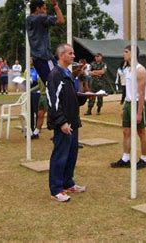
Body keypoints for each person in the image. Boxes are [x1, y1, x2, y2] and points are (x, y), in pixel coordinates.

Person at [47, 44, 87, 202]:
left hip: (73, 121)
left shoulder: (68, 74)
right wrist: (61, 122)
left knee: (71, 154)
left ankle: (68, 183)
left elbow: (71, 97)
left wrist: (85, 96)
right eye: (70, 53)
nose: (74, 56)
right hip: (63, 124)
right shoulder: (55, 75)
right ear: (62, 55)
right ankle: (56, 189)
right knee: (60, 155)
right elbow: (53, 101)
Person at [111, 45, 146, 169]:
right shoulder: (127, 69)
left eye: (126, 52)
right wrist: (124, 107)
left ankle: (144, 159)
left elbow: (141, 93)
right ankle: (125, 159)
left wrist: (139, 113)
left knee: (141, 132)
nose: (124, 54)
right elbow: (128, 91)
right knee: (126, 132)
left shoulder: (140, 70)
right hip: (128, 103)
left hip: (138, 103)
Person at [27, 0, 65, 83]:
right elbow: (61, 20)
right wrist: (55, 5)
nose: (45, 11)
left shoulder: (28, 19)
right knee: (57, 84)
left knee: (49, 85)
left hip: (37, 59)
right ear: (37, 9)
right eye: (44, 9)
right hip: (45, 58)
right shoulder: (41, 18)